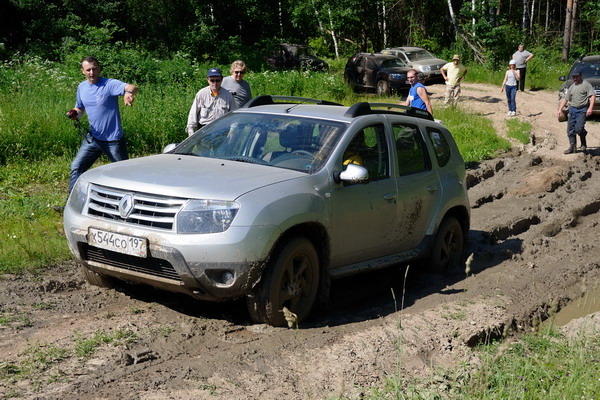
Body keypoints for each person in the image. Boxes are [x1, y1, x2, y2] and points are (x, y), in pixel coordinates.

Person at [67, 56, 138, 195]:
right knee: (76, 167)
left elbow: (132, 87)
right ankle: (71, 200)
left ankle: (130, 201)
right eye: (88, 70)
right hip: (93, 139)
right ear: (83, 71)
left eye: (94, 69)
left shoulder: (109, 84)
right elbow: (80, 109)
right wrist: (74, 113)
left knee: (124, 174)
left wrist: (128, 93)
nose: (91, 73)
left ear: (99, 69)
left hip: (113, 140)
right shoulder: (82, 87)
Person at [186, 67, 237, 136]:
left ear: (221, 80)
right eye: (212, 80)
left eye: (217, 80)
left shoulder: (228, 95)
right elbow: (193, 114)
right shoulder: (201, 94)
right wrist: (191, 131)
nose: (215, 83)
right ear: (208, 80)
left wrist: (232, 131)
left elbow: (234, 115)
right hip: (204, 132)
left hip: (222, 131)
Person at [557, 71, 595, 154]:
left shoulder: (586, 84)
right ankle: (572, 147)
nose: (575, 79)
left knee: (579, 129)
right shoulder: (572, 86)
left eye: (576, 77)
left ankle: (583, 137)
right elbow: (565, 99)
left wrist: (590, 108)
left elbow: (592, 96)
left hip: (582, 110)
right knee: (570, 130)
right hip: (573, 109)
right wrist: (560, 109)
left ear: (581, 76)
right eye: (573, 77)